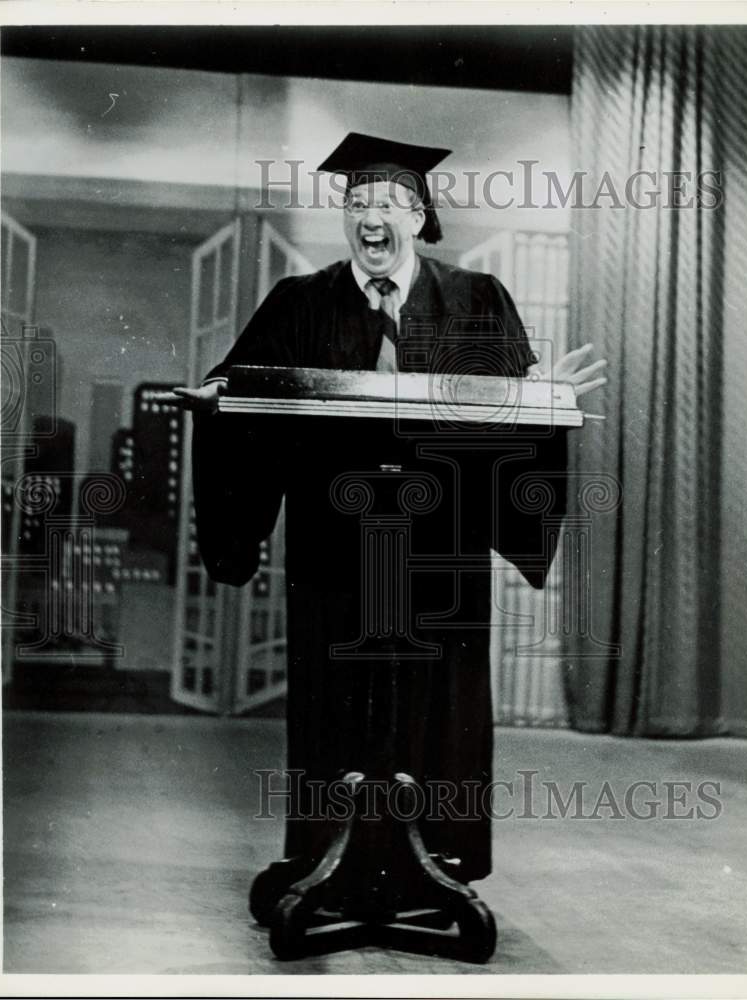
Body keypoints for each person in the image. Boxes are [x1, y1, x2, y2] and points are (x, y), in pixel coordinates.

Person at [174, 133, 606, 885]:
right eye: (355, 204)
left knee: (437, 702)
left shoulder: (475, 298)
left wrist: (545, 396)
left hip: (440, 552)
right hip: (334, 549)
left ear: (418, 216)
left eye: (385, 204)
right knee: (332, 698)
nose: (368, 218)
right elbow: (240, 380)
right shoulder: (300, 302)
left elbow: (514, 408)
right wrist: (220, 400)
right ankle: (322, 856)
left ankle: (437, 858)